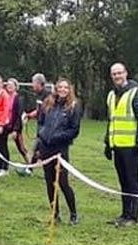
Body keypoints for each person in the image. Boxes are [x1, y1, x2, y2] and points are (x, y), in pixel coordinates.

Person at [105, 61, 138, 226]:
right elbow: (111, 121)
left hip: (131, 147)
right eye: (114, 74)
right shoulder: (111, 95)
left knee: (132, 181)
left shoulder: (135, 93)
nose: (117, 76)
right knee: (123, 181)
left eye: (119, 73)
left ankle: (133, 216)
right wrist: (107, 144)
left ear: (126, 73)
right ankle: (124, 214)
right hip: (117, 146)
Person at [33, 78, 82, 224]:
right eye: (60, 87)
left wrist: (57, 137)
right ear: (56, 88)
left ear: (69, 90)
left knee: (63, 182)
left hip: (60, 148)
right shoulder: (48, 103)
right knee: (49, 182)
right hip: (45, 147)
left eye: (65, 88)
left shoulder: (73, 106)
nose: (62, 90)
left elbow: (74, 130)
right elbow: (40, 122)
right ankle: (55, 214)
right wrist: (42, 136)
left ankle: (73, 214)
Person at [5, 78, 32, 172]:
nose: (9, 87)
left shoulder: (19, 98)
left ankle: (30, 164)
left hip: (15, 126)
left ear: (16, 87)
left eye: (11, 85)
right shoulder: (5, 97)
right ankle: (3, 165)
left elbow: (18, 115)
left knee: (20, 147)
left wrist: (16, 130)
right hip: (6, 124)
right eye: (8, 85)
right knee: (2, 145)